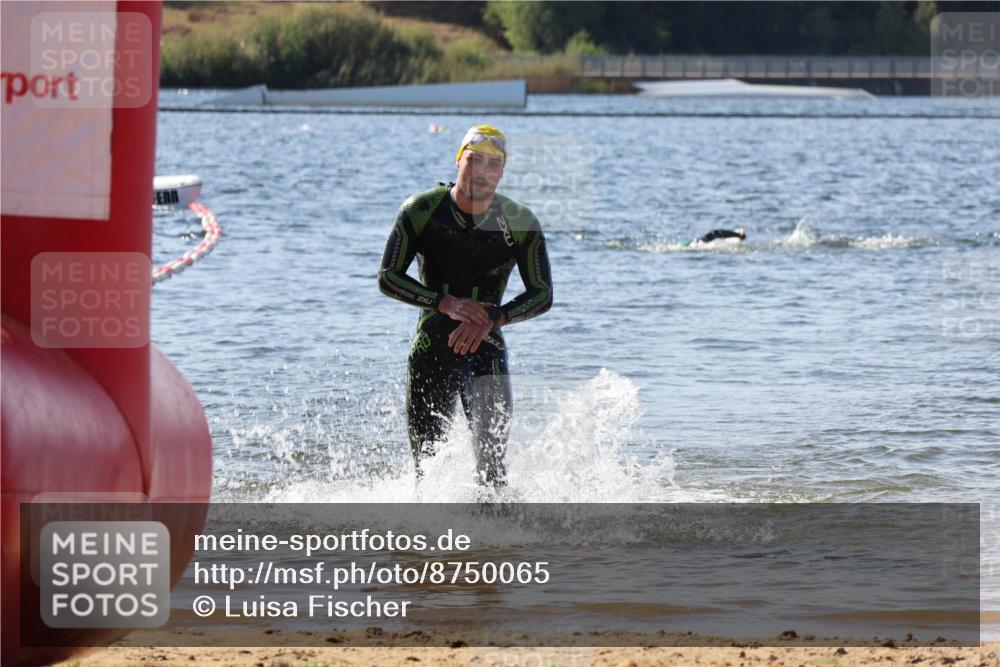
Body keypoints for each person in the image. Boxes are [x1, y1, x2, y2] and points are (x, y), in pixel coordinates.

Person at [377, 125, 553, 490]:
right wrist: (448, 304)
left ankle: (495, 545)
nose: (482, 172)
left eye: (493, 164)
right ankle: (437, 546)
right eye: (474, 161)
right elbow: (388, 277)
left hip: (485, 351)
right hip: (431, 350)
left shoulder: (520, 222)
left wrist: (494, 317)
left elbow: (542, 294)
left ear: (502, 171)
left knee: (493, 472)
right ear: (459, 160)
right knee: (427, 469)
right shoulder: (421, 210)